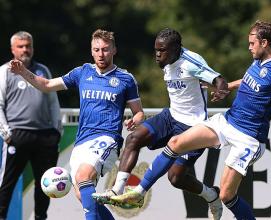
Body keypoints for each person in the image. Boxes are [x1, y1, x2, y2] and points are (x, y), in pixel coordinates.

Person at [108, 20, 271, 220]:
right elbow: (246, 81)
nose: (249, 47)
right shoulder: (258, 61)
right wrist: (225, 87)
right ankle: (138, 192)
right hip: (227, 122)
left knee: (227, 196)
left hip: (249, 138)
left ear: (265, 43)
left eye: (252, 43)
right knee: (175, 143)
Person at [92, 28, 229, 219]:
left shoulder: (191, 62)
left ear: (176, 49)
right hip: (171, 117)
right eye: (156, 49)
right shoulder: (166, 59)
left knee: (176, 178)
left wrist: (221, 90)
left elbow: (219, 79)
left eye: (162, 50)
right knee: (134, 138)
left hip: (193, 127)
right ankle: (117, 190)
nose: (157, 55)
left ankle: (211, 195)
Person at [9, 29, 144, 220]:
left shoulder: (125, 79)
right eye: (96, 49)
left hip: (107, 138)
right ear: (91, 51)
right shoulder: (82, 72)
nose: (101, 54)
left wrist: (134, 121)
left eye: (105, 49)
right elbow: (47, 85)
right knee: (83, 195)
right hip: (82, 142)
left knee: (83, 176)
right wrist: (23, 71)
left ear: (114, 50)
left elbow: (139, 113)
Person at [0, 31, 62, 220]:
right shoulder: (4, 71)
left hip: (44, 136)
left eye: (28, 46)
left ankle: (40, 218)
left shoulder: (43, 70)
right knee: (7, 182)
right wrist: (6, 133)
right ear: (12, 49)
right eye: (20, 46)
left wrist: (57, 131)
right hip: (17, 134)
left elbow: (53, 102)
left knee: (45, 183)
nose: (25, 49)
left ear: (33, 48)